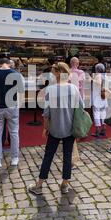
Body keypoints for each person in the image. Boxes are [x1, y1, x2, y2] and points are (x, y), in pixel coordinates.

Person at [28, 62, 83, 195]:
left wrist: (45, 128)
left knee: (48, 156)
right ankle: (65, 184)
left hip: (54, 128)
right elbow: (80, 107)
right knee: (67, 156)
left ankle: (39, 185)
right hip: (70, 128)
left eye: (53, 72)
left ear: (57, 74)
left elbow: (46, 113)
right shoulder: (73, 88)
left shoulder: (51, 90)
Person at [0, 57, 24, 168]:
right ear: (8, 64)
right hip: (12, 106)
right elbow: (21, 90)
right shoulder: (16, 74)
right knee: (14, 132)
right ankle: (14, 158)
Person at [91, 63, 108, 137]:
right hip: (104, 97)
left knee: (96, 113)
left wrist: (92, 80)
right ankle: (104, 129)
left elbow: (98, 84)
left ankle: (97, 130)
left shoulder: (97, 76)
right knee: (103, 113)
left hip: (97, 97)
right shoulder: (106, 76)